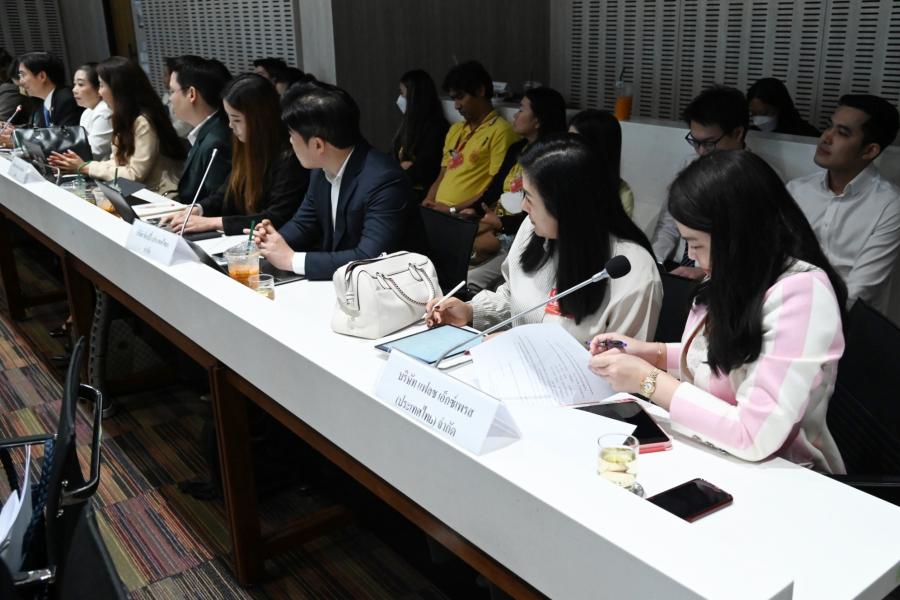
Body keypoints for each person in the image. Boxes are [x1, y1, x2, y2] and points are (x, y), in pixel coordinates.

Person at [590, 150, 847, 474]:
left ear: (737, 233)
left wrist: (648, 380)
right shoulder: (739, 270)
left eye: (696, 244)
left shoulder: (802, 293)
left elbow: (754, 436)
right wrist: (654, 353)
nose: (692, 256)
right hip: (714, 452)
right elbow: (729, 355)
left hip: (781, 473)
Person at [428, 136, 662, 343]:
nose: (523, 206)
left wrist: (525, 347)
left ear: (565, 206)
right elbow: (513, 298)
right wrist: (471, 312)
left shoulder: (630, 271)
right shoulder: (533, 229)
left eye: (529, 197)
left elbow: (624, 367)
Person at [252, 82, 415, 281]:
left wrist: (291, 260)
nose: (290, 141)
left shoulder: (385, 180)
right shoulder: (321, 168)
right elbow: (304, 224)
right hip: (345, 285)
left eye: (292, 135)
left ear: (318, 145)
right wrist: (270, 242)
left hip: (393, 286)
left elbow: (369, 257)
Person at [787, 94, 900, 314]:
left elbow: (861, 290)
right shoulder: (797, 190)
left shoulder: (889, 205)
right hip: (787, 308)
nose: (826, 137)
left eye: (842, 133)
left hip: (845, 322)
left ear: (869, 150)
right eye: (829, 126)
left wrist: (807, 318)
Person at [161, 73, 309, 236]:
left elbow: (276, 217)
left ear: (259, 119)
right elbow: (226, 193)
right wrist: (196, 210)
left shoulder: (290, 158)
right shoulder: (246, 146)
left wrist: (213, 222)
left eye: (237, 120)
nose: (231, 125)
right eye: (229, 118)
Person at [467, 86, 567, 292]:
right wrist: (472, 210)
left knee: (473, 261)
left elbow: (537, 213)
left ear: (538, 120)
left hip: (520, 230)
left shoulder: (550, 160)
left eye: (521, 109)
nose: (515, 115)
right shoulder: (517, 149)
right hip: (501, 223)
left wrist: (501, 224)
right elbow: (495, 187)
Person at [48, 57, 186, 197]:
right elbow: (117, 163)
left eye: (102, 86)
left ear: (117, 88)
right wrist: (84, 166)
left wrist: (86, 167)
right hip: (137, 192)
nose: (99, 92)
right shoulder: (125, 117)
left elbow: (134, 174)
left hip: (158, 196)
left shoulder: (143, 121)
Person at [652, 86, 749, 280]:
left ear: (737, 133)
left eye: (709, 143)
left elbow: (751, 246)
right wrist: (655, 263)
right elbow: (669, 225)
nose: (701, 151)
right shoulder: (689, 164)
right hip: (676, 267)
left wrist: (707, 272)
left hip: (722, 275)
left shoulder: (755, 177)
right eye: (695, 142)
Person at [422, 60, 518, 212]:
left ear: (480, 91)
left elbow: (494, 187)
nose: (456, 105)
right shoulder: (456, 129)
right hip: (439, 210)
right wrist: (429, 199)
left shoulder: (500, 131)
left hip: (466, 214)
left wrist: (452, 210)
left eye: (460, 97)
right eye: (454, 99)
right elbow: (442, 174)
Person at [168, 56, 233, 204]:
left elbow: (216, 204)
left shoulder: (217, 141)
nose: (170, 98)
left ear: (191, 94)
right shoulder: (210, 130)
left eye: (172, 91)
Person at [391, 69, 449, 202]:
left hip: (419, 195)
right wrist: (400, 168)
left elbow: (423, 169)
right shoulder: (407, 126)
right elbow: (391, 158)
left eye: (402, 93)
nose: (399, 99)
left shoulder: (437, 128)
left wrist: (402, 170)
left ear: (415, 97)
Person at [568, 109, 634, 218]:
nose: (567, 148)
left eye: (576, 143)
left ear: (599, 148)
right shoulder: (558, 179)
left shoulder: (622, 195)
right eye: (568, 140)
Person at [15, 52, 82, 127]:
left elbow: (65, 134)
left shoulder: (66, 100)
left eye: (23, 75)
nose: (20, 81)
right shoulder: (40, 103)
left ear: (42, 76)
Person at [747, 77, 819, 137]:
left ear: (780, 107)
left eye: (764, 113)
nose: (758, 120)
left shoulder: (807, 134)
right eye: (753, 114)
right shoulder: (750, 133)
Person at [71, 62, 112, 160]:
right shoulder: (87, 112)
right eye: (74, 84)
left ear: (99, 87)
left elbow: (95, 151)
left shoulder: (105, 110)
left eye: (80, 84)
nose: (74, 90)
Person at [161, 57, 192, 138]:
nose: (163, 78)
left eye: (165, 75)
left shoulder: (187, 97)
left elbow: (183, 126)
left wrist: (161, 132)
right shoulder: (166, 96)